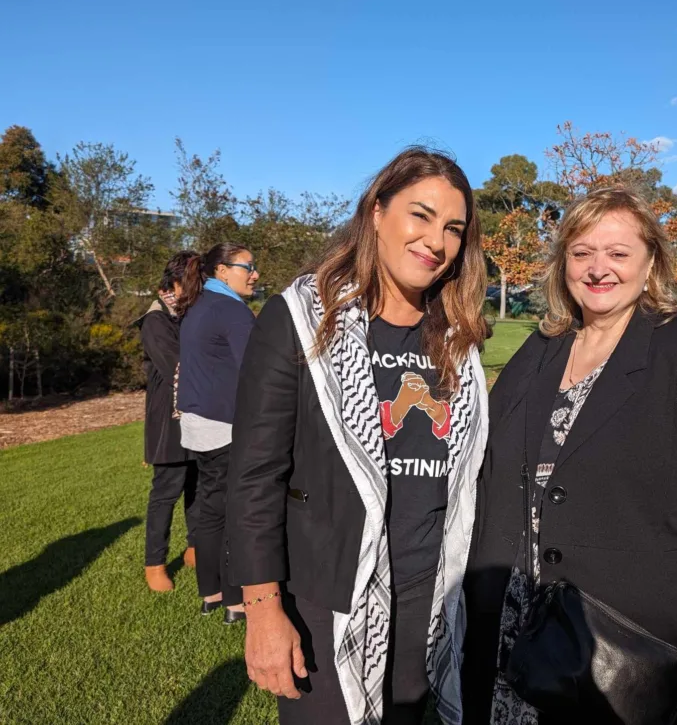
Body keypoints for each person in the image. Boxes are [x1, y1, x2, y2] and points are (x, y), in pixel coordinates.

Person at [463, 186, 677, 724]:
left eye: (617, 253)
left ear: (651, 260)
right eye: (582, 252)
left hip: (621, 649)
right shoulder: (539, 351)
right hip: (516, 630)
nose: (597, 269)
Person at [226, 147, 489, 725]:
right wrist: (264, 612)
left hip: (431, 599)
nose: (436, 241)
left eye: (453, 228)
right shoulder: (300, 319)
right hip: (330, 603)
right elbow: (252, 480)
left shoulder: (459, 340)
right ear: (376, 212)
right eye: (420, 215)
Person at [177, 242, 259, 623]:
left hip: (198, 424)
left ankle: (210, 593)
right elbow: (257, 373)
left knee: (210, 511)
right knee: (234, 513)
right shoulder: (231, 311)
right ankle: (234, 600)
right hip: (226, 426)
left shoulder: (198, 306)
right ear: (222, 271)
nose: (255, 274)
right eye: (248, 267)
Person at [137, 250, 201, 592]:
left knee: (198, 485)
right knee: (166, 492)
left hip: (198, 415)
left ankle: (194, 548)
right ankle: (155, 563)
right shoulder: (156, 320)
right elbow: (179, 366)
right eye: (193, 281)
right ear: (174, 281)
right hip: (168, 421)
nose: (197, 288)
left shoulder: (188, 315)